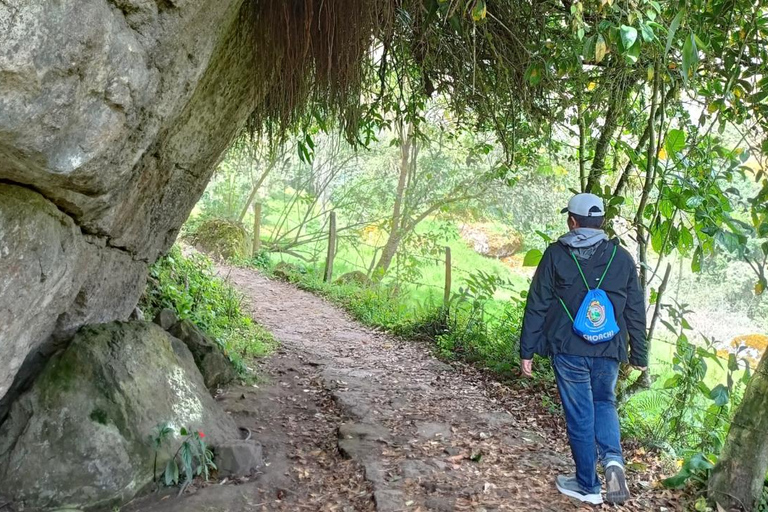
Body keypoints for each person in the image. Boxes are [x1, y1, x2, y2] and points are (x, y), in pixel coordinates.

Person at [519, 193, 648, 505]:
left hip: (569, 349)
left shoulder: (555, 255)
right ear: (601, 222)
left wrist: (527, 351)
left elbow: (537, 304)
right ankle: (614, 464)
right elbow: (635, 310)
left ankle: (587, 485)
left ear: (572, 221)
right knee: (604, 403)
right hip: (608, 350)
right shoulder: (622, 258)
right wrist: (639, 355)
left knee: (580, 413)